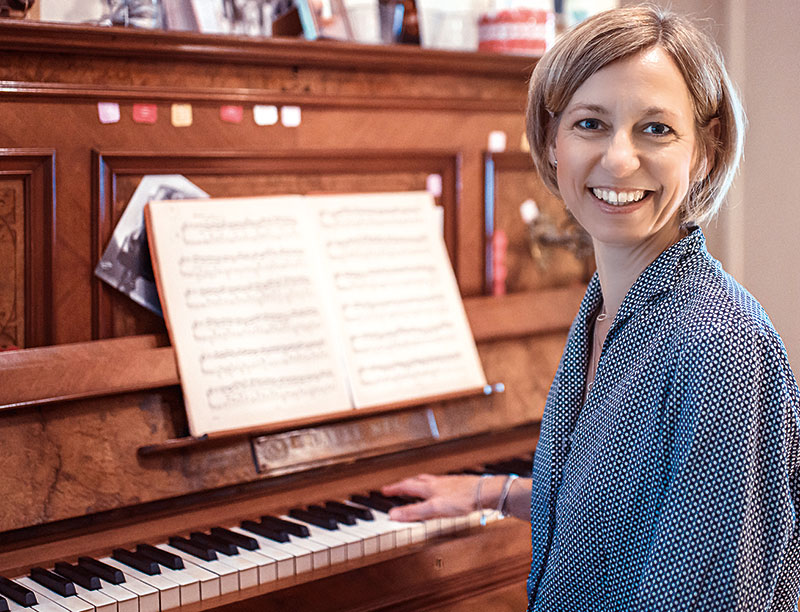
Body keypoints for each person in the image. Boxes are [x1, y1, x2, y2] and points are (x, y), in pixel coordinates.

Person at [382, 5, 800, 610]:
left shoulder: (721, 345)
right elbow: (618, 509)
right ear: (553, 142)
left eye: (656, 129)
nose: (618, 160)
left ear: (704, 152)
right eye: (590, 124)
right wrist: (490, 493)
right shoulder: (608, 306)